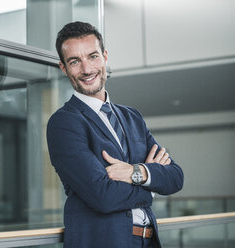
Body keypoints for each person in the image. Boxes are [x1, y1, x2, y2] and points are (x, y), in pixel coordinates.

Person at [46, 21, 184, 248]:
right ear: (63, 68)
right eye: (74, 61)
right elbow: (103, 196)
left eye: (92, 56)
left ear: (105, 56)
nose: (87, 69)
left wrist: (135, 172)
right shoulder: (64, 123)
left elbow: (176, 177)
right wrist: (150, 184)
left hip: (149, 242)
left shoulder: (133, 117)